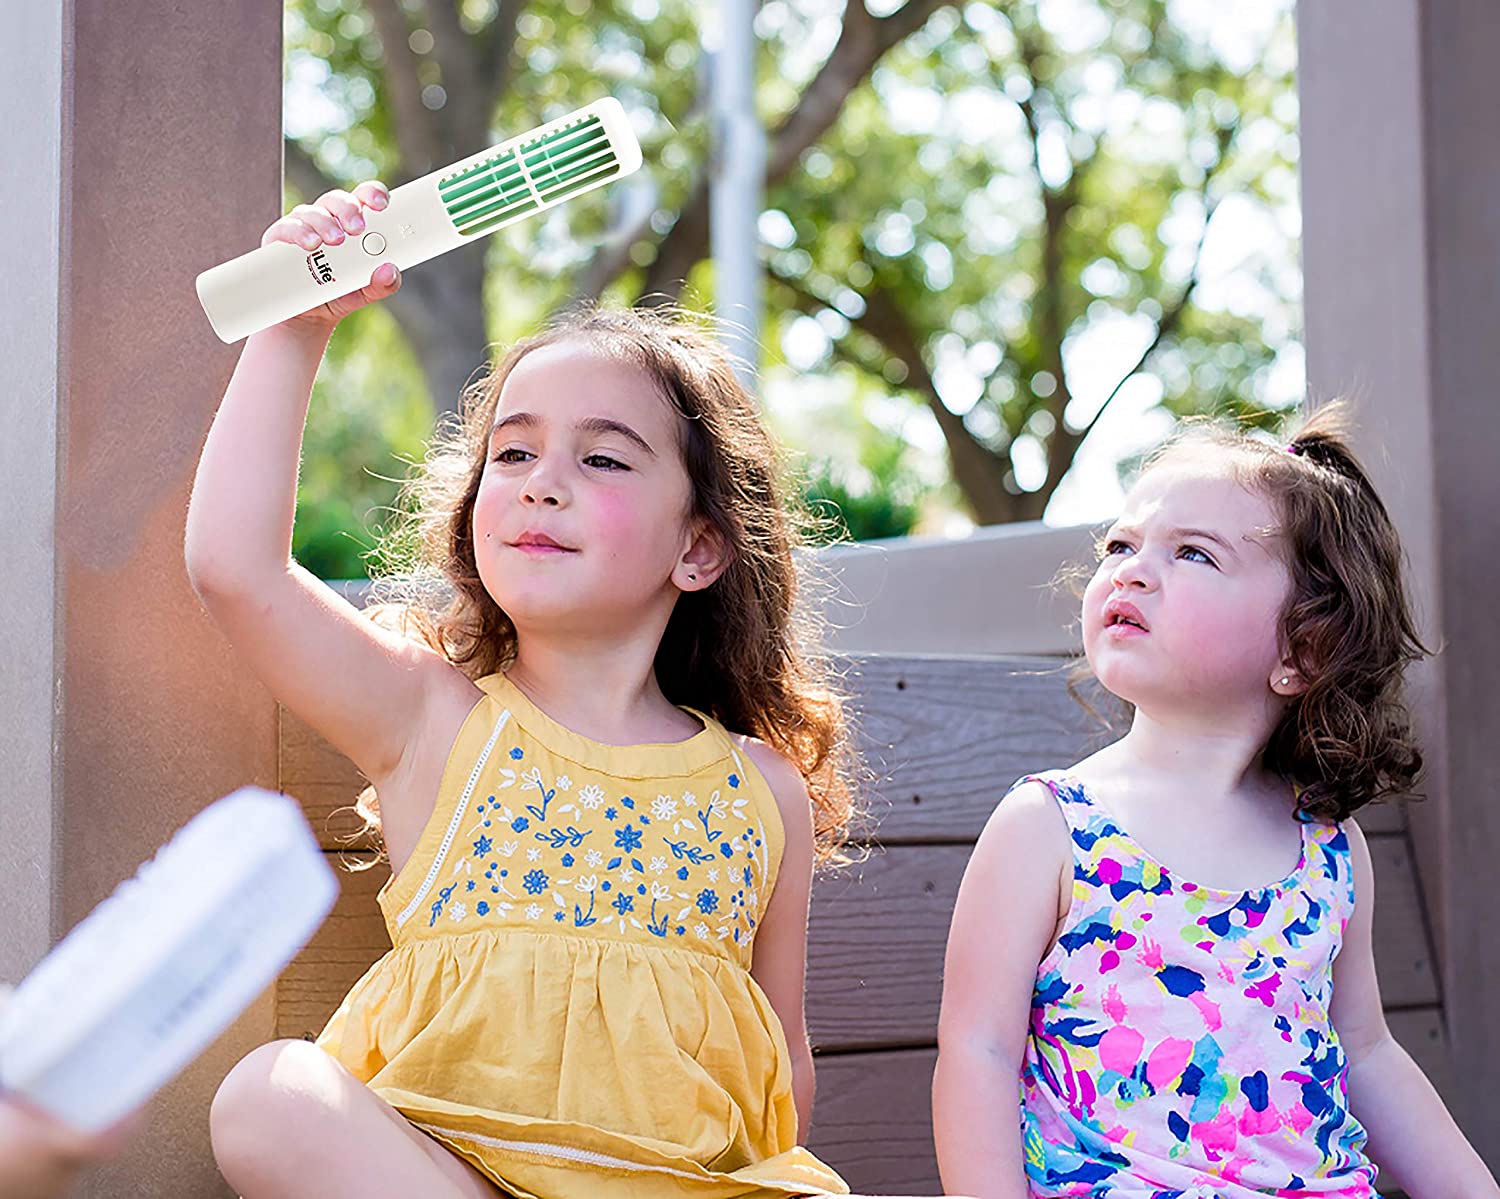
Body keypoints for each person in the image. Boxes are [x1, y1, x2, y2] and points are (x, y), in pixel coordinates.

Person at [186, 182, 859, 1197]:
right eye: (513, 452)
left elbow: (781, 1066)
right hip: (455, 1180)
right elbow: (237, 568)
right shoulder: (435, 717)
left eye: (601, 457)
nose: (543, 480)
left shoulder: (762, 788)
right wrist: (295, 329)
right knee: (268, 1093)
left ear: (701, 543)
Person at [932, 406, 1498, 1196]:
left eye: (1191, 553)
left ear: (1303, 650)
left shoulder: (1327, 851)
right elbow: (977, 1050)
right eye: (1120, 545)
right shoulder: (1052, 827)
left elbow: (1366, 1051)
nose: (1128, 570)